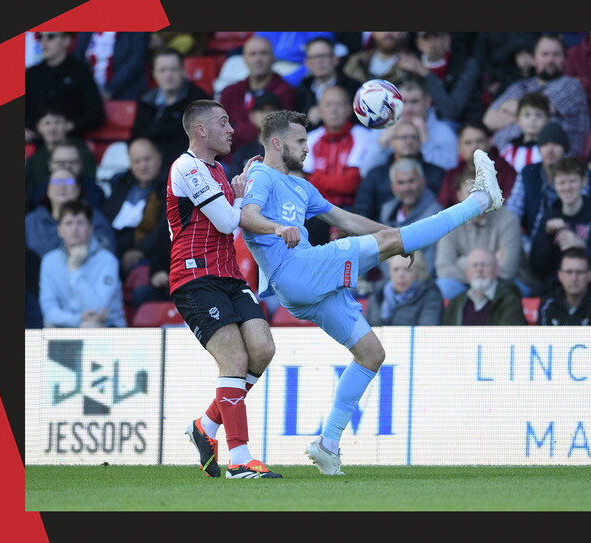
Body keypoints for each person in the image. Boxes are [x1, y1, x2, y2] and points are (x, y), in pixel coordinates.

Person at [238, 109, 505, 475]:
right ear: (276, 142)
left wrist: (398, 241)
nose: (307, 148)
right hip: (297, 270)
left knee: (370, 354)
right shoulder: (261, 175)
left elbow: (347, 221)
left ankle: (328, 443)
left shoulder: (301, 186)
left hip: (305, 285)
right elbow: (246, 215)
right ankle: (480, 201)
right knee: (391, 242)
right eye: (300, 141)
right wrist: (276, 227)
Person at [167, 99, 282, 479]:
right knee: (233, 362)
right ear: (200, 130)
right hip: (195, 278)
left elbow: (229, 215)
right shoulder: (187, 167)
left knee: (262, 350)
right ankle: (239, 459)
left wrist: (237, 191)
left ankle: (205, 425)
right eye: (223, 122)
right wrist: (246, 197)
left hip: (229, 276)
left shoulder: (217, 170)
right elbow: (227, 221)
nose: (232, 129)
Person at [482, 34, 589, 159]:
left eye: (556, 55)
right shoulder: (519, 86)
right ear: (533, 59)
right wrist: (526, 112)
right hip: (504, 161)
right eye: (545, 54)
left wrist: (508, 108)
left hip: (552, 164)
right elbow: (488, 121)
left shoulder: (571, 85)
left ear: (565, 59)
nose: (550, 60)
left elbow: (539, 109)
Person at [435, 174, 535, 300]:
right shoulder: (450, 222)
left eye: (481, 192)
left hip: (503, 283)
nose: (476, 199)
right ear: (459, 196)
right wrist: (489, 264)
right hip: (465, 284)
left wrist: (461, 262)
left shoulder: (509, 219)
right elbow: (444, 269)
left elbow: (507, 271)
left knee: (510, 289)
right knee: (443, 287)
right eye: (470, 193)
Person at [301, 85, 377, 245]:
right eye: (328, 105)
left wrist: (316, 178)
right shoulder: (310, 138)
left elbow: (350, 184)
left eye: (339, 105)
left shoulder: (363, 136)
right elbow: (303, 183)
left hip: (351, 210)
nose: (334, 110)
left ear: (350, 109)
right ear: (320, 110)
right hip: (316, 214)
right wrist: (315, 180)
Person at [39, 200, 127, 328]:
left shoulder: (107, 260)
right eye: (68, 223)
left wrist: (74, 271)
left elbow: (97, 309)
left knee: (90, 326)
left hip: (107, 327)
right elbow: (48, 310)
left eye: (80, 223)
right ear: (60, 230)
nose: (74, 229)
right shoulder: (49, 261)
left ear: (90, 229)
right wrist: (77, 319)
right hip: (69, 325)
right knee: (49, 327)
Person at [506, 121, 589, 253]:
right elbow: (512, 213)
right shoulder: (528, 172)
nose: (550, 150)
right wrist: (524, 245)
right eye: (544, 145)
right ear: (539, 149)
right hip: (530, 242)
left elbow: (583, 210)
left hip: (569, 241)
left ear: (565, 149)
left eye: (556, 144)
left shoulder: (578, 172)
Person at [528, 156, 591, 295]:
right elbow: (537, 266)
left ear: (584, 182)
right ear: (554, 185)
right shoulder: (549, 216)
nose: (567, 187)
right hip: (555, 288)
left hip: (590, 287)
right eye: (562, 182)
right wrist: (546, 236)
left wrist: (584, 247)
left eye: (572, 181)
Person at [218, 36, 297, 161]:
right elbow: (220, 133)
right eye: (252, 54)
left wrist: (235, 128)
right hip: (231, 160)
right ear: (245, 59)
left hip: (269, 160)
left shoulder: (285, 91)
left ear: (273, 58)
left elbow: (275, 131)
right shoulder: (229, 92)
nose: (258, 59)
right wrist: (256, 129)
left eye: (263, 53)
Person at [131, 47, 211, 167]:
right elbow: (137, 139)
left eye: (173, 69)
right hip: (152, 167)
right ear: (154, 74)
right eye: (162, 70)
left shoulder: (199, 100)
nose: (168, 75)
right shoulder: (145, 101)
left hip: (188, 167)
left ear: (183, 71)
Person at [354, 120, 445, 223]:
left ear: (420, 142)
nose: (409, 141)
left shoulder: (436, 173)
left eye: (414, 137)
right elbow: (362, 211)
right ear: (392, 143)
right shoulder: (375, 175)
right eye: (403, 137)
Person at [101, 137, 166, 272]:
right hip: (110, 247)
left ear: (159, 159)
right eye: (137, 161)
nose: (143, 166)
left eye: (147, 159)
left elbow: (164, 227)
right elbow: (105, 218)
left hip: (144, 254)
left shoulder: (170, 189)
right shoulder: (121, 185)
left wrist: (140, 249)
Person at [25, 32, 105, 142]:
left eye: (50, 37)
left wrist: (69, 126)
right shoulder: (32, 74)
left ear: (67, 41)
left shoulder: (80, 72)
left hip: (71, 143)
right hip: (37, 144)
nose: (43, 42)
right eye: (40, 37)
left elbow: (96, 115)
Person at [396, 32, 484, 129]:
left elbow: (450, 112)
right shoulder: (407, 66)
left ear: (447, 40)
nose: (432, 43)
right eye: (426, 38)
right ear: (418, 44)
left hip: (457, 128)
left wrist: (427, 74)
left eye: (436, 37)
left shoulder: (466, 66)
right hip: (413, 126)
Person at [25, 168, 116, 259]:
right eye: (56, 181)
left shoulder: (93, 218)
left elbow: (107, 251)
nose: (62, 186)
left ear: (78, 189)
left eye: (68, 181)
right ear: (48, 190)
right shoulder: (31, 222)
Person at [374, 77, 459, 172]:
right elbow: (366, 171)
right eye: (403, 102)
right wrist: (383, 142)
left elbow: (449, 171)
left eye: (414, 102)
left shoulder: (444, 131)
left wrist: (425, 140)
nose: (408, 109)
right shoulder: (382, 127)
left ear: (427, 102)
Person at [378, 158, 444, 279]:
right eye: (401, 183)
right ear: (392, 186)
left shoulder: (435, 214)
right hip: (393, 283)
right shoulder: (386, 211)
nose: (406, 188)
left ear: (423, 182)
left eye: (411, 181)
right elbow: (383, 254)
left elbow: (432, 259)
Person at [24, 106, 98, 211]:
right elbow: (29, 198)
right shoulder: (33, 161)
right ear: (38, 127)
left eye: (58, 122)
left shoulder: (84, 154)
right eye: (47, 123)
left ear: (68, 125)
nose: (52, 128)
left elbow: (89, 188)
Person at [435, 120, 516, 208]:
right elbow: (442, 207)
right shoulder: (452, 175)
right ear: (459, 147)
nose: (474, 147)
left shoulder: (505, 171)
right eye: (468, 143)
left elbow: (508, 206)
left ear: (489, 143)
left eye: (479, 141)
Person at [442, 247, 527, 326]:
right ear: (467, 273)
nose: (479, 270)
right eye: (474, 265)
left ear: (496, 270)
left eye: (485, 264)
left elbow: (510, 339)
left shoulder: (509, 300)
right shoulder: (455, 302)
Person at [537, 247, 591, 326]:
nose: (574, 278)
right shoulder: (547, 303)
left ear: (589, 275)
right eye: (569, 272)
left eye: (580, 272)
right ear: (560, 275)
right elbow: (541, 340)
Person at [294, 36, 362, 131]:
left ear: (335, 59)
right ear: (307, 63)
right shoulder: (299, 92)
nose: (319, 61)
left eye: (324, 56)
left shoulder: (355, 89)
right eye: (314, 57)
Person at [363, 253, 443, 326]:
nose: (400, 275)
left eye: (408, 270)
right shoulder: (377, 292)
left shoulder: (430, 295)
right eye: (396, 269)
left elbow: (426, 333)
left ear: (418, 273)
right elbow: (364, 329)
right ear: (389, 271)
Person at [28, 141, 106, 214]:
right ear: (50, 165)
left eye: (72, 162)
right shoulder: (39, 192)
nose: (66, 166)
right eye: (60, 162)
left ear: (81, 164)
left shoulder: (95, 192)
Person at [74, 31, 150, 101]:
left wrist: (110, 90)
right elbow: (77, 59)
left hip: (125, 94)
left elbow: (135, 62)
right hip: (90, 94)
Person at [228, 92, 283, 175]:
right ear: (252, 116)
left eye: (272, 110)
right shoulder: (243, 152)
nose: (267, 114)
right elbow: (233, 183)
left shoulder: (288, 149)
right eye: (262, 110)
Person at [498, 91, 550, 174]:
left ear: (548, 120)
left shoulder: (551, 150)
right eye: (527, 115)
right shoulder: (508, 151)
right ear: (517, 120)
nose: (533, 120)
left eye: (538, 115)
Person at [342, 32, 413, 87]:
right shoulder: (355, 61)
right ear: (373, 33)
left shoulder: (412, 65)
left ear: (403, 33)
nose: (388, 33)